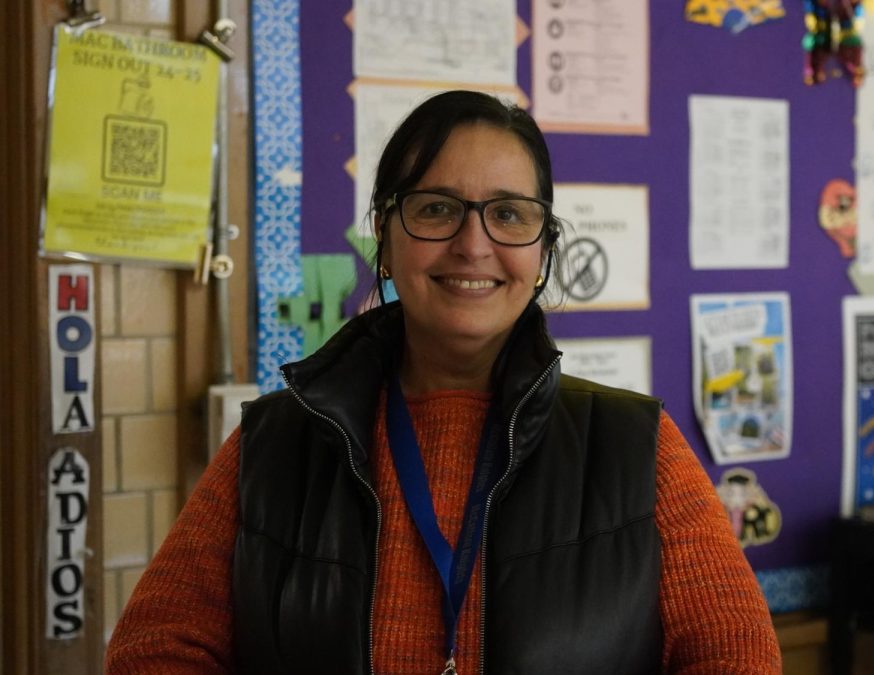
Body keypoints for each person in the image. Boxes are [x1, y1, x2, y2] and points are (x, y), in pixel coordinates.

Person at [106, 90, 782, 674]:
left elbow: (739, 653)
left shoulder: (635, 447)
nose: (473, 243)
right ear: (383, 235)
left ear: (543, 250)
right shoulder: (277, 443)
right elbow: (154, 649)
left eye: (510, 213)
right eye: (436, 209)